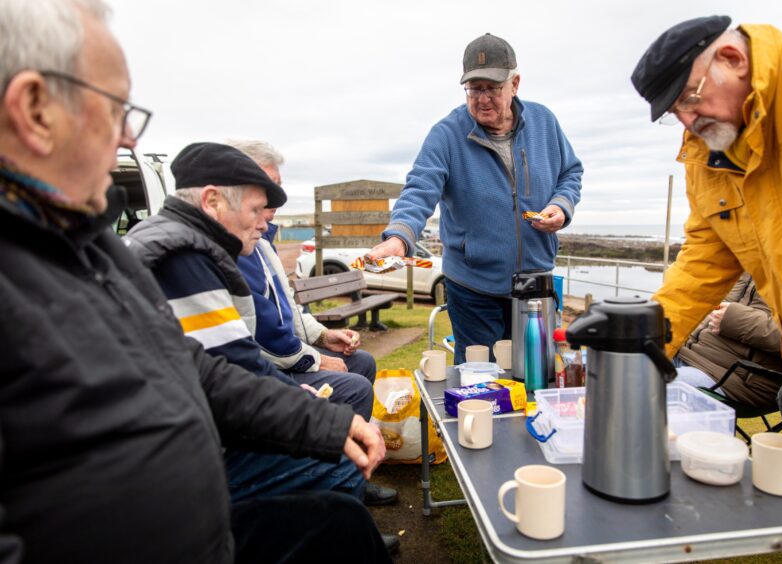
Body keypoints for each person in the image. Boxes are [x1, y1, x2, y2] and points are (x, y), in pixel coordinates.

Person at [0, 1, 390, 562]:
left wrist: (321, 424)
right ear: (35, 109)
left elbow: (193, 367)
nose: (130, 140)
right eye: (116, 109)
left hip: (204, 517)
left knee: (341, 529)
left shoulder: (91, 248)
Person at [631, 15, 782, 562]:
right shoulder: (707, 156)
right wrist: (645, 339)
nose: (686, 119)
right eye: (673, 112)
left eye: (690, 98)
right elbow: (705, 256)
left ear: (732, 58)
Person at [124, 142, 400, 548]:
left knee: (338, 484)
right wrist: (311, 415)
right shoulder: (184, 259)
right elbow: (226, 378)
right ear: (213, 201)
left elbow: (225, 363)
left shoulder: (176, 242)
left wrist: (293, 394)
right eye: (255, 210)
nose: (264, 223)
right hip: (182, 459)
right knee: (340, 464)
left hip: (180, 435)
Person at [367, 33, 583, 364]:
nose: (482, 99)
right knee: (480, 385)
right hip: (473, 288)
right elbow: (420, 186)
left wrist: (561, 206)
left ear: (515, 83)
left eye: (492, 88)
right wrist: (400, 237)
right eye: (474, 89)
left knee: (536, 378)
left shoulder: (545, 123)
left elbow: (570, 173)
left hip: (535, 284)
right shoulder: (446, 134)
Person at [228, 138, 397, 507]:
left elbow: (287, 307)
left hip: (281, 361)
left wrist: (324, 335)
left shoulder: (264, 241)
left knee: (362, 361)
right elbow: (264, 332)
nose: (277, 195)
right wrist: (315, 359)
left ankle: (351, 473)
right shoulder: (238, 246)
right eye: (267, 185)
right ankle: (341, 481)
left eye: (279, 184)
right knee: (354, 387)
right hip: (270, 369)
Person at [675, 273, 782, 408]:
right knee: (649, 358)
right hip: (687, 353)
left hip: (736, 378)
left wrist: (735, 319)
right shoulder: (751, 261)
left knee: (655, 386)